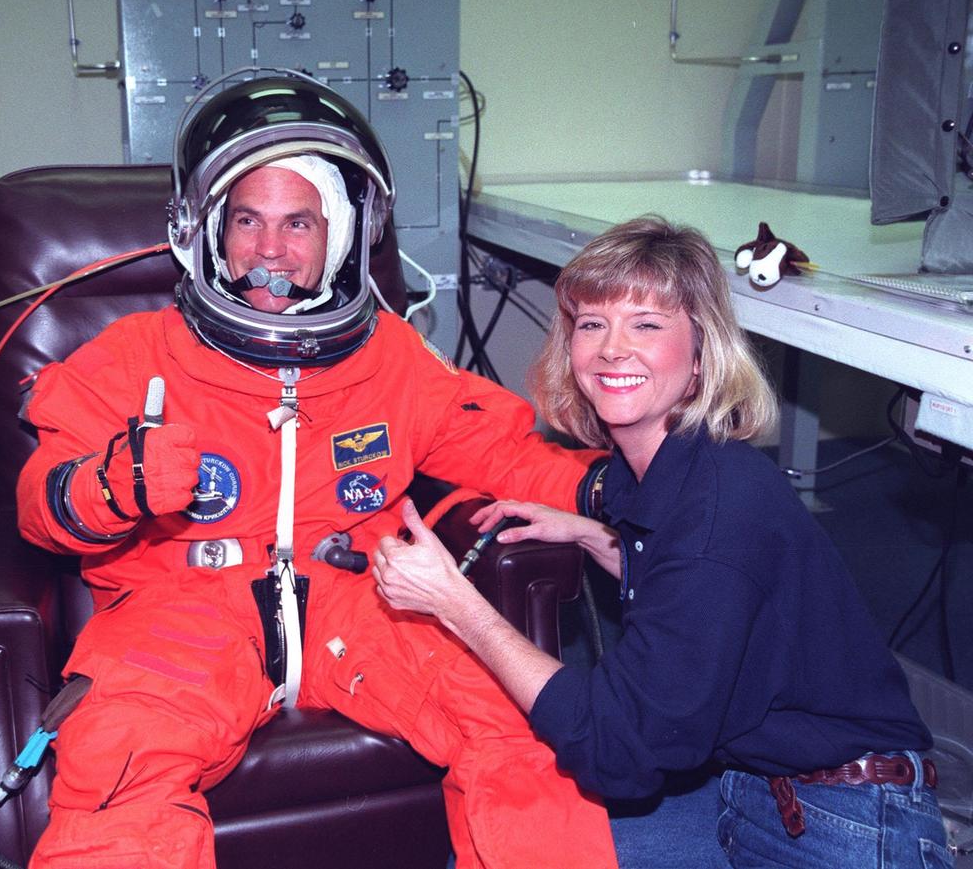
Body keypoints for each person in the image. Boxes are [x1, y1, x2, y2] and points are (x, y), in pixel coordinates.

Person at [15, 71, 617, 868]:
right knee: (121, 779)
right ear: (206, 232)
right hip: (182, 612)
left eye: (298, 222)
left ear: (338, 235)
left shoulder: (389, 355)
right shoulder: (137, 358)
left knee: (519, 729)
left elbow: (500, 451)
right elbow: (38, 500)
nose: (270, 250)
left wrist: (614, 488)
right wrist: (118, 480)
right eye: (247, 221)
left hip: (368, 602)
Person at [374, 216, 951, 868]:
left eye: (647, 324)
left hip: (846, 820)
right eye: (591, 323)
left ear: (702, 353)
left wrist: (456, 603)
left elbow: (618, 747)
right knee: (508, 844)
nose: (613, 348)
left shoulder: (718, 510)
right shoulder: (658, 472)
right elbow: (683, 578)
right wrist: (597, 535)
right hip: (743, 785)